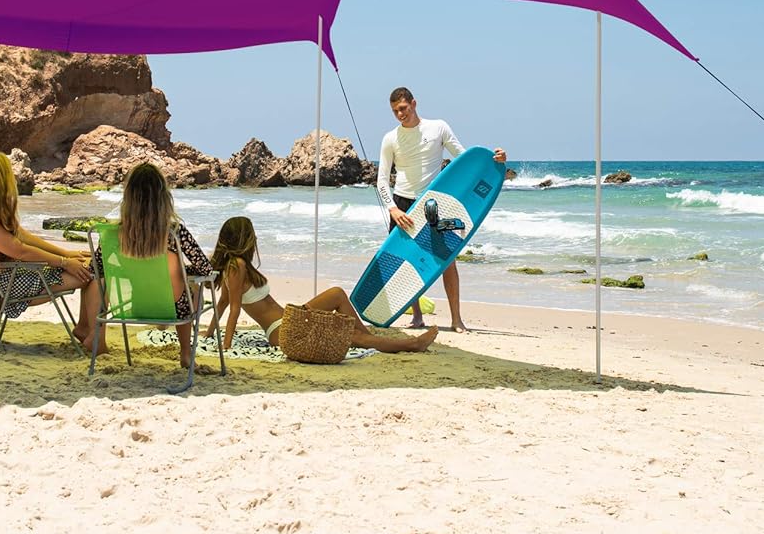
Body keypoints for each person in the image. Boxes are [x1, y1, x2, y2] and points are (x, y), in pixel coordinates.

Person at [206, 216, 437, 354]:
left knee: (337, 294)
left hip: (288, 319)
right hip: (282, 330)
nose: (255, 239)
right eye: (252, 235)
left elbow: (223, 303)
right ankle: (411, 345)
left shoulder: (233, 266)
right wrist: (226, 347)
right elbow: (233, 307)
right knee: (350, 338)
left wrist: (208, 336)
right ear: (243, 239)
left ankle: (370, 338)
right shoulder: (237, 265)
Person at [377, 87, 506, 332]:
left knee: (447, 260)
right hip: (403, 204)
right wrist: (392, 209)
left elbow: (464, 158)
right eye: (395, 111)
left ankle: (456, 319)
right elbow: (382, 179)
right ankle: (416, 316)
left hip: (433, 202)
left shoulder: (438, 128)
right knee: (406, 261)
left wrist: (495, 160)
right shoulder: (390, 138)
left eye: (403, 109)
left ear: (414, 103)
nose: (400, 115)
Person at [0, 151, 101, 352]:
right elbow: (21, 251)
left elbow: (26, 238)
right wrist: (64, 262)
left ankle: (84, 328)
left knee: (91, 265)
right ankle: (87, 332)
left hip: (23, 274)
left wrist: (67, 254)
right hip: (18, 284)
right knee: (95, 272)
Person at [113, 162, 214, 371]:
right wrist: (183, 271)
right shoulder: (175, 232)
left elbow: (97, 267)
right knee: (192, 288)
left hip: (138, 305)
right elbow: (205, 269)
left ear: (129, 197)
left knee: (177, 281)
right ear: (163, 197)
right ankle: (186, 353)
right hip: (175, 308)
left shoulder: (115, 234)